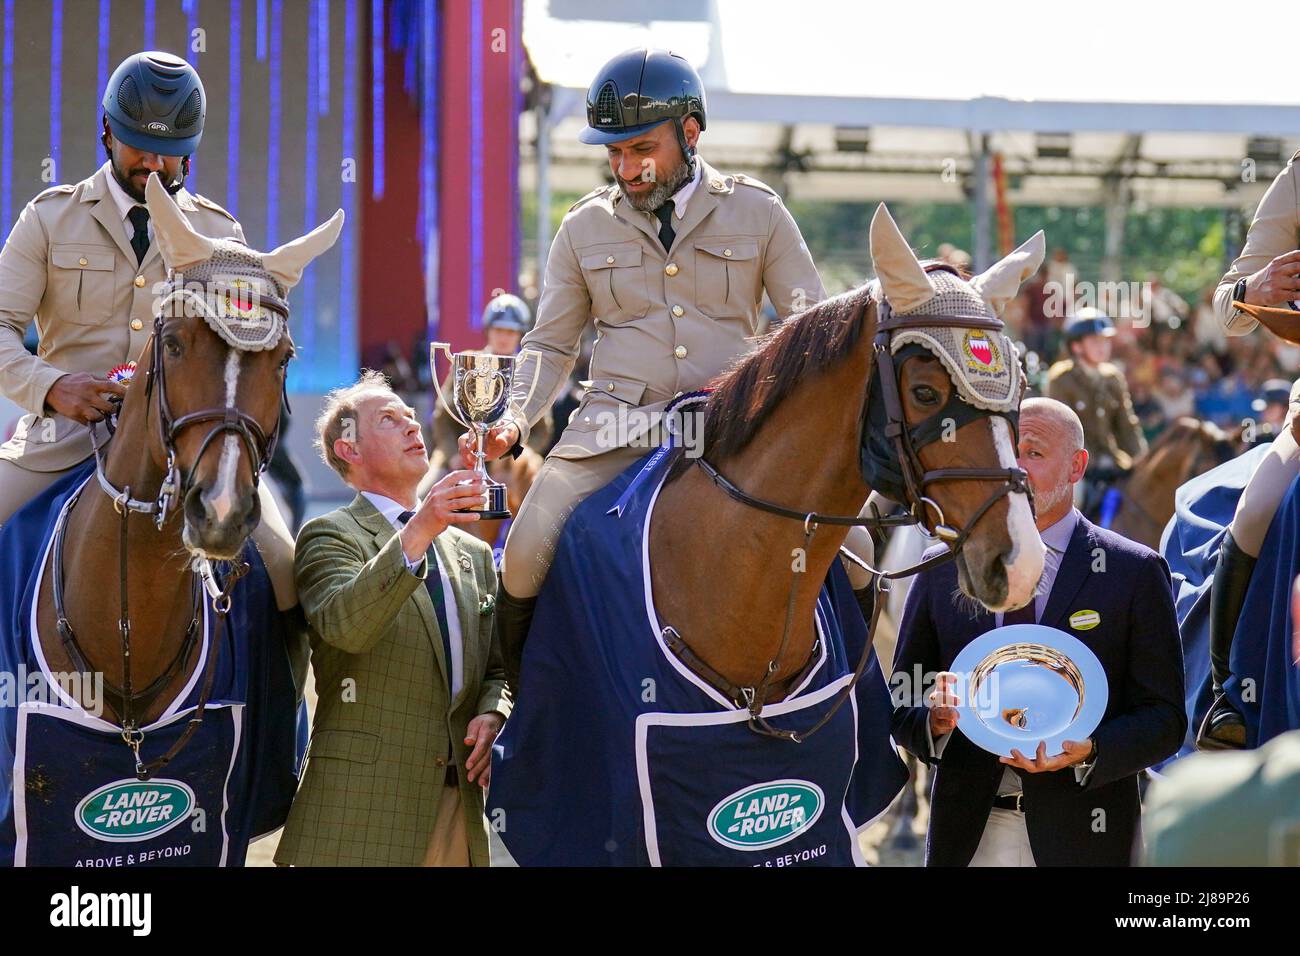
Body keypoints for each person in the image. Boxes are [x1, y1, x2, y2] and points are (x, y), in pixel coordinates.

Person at [462, 47, 825, 685]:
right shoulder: (580, 229)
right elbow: (549, 346)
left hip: (732, 430)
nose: (627, 168)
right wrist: (512, 419)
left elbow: (809, 331)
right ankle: (520, 711)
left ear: (690, 132)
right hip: (614, 428)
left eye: (642, 149)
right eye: (614, 153)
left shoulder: (760, 211)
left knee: (853, 552)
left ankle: (862, 706)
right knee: (521, 555)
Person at [0, 51, 298, 608]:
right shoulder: (47, 218)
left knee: (283, 569)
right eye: (139, 146)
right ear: (107, 130)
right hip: (62, 441)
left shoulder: (219, 231)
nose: (155, 164)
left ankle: (284, 699)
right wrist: (49, 387)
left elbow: (242, 348)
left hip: (188, 444)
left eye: (171, 153)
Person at [890, 398, 1186, 866]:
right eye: (1009, 453)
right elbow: (901, 696)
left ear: (1077, 466)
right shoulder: (942, 567)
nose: (1016, 469)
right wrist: (934, 718)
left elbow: (1165, 720)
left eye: (1033, 452)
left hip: (1088, 839)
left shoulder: (1135, 572)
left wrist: (1090, 752)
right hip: (970, 834)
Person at [276, 373, 510, 867]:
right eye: (388, 419)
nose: (411, 425)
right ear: (350, 450)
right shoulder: (327, 535)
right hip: (359, 816)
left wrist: (493, 713)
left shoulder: (473, 552)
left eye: (410, 415)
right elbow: (347, 627)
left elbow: (497, 666)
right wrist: (423, 524)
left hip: (457, 811)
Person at [427, 293, 552, 478]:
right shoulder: (467, 363)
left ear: (520, 335)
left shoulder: (528, 371)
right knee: (425, 492)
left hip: (512, 463)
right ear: (488, 331)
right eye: (498, 330)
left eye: (510, 332)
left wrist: (518, 452)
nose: (503, 337)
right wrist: (453, 454)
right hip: (461, 457)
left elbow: (543, 429)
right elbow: (441, 418)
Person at [1046, 308, 1147, 516]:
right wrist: (1090, 461)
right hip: (1076, 465)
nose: (1102, 347)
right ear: (1076, 346)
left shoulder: (1113, 377)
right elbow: (1063, 429)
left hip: (1113, 460)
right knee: (1076, 500)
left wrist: (1141, 459)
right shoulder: (1061, 378)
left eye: (1105, 341)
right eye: (1094, 341)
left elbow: (1127, 425)